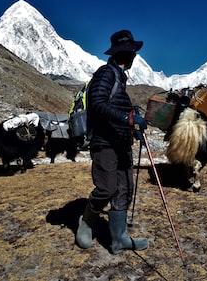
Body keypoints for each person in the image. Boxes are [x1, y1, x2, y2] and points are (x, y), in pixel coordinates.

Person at [75, 30, 149, 254]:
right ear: (125, 54)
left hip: (121, 143)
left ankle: (119, 239)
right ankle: (86, 221)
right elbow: (97, 103)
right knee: (107, 188)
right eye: (132, 52)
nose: (134, 56)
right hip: (104, 143)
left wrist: (132, 130)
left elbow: (113, 109)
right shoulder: (106, 74)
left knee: (124, 190)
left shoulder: (120, 79)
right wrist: (127, 118)